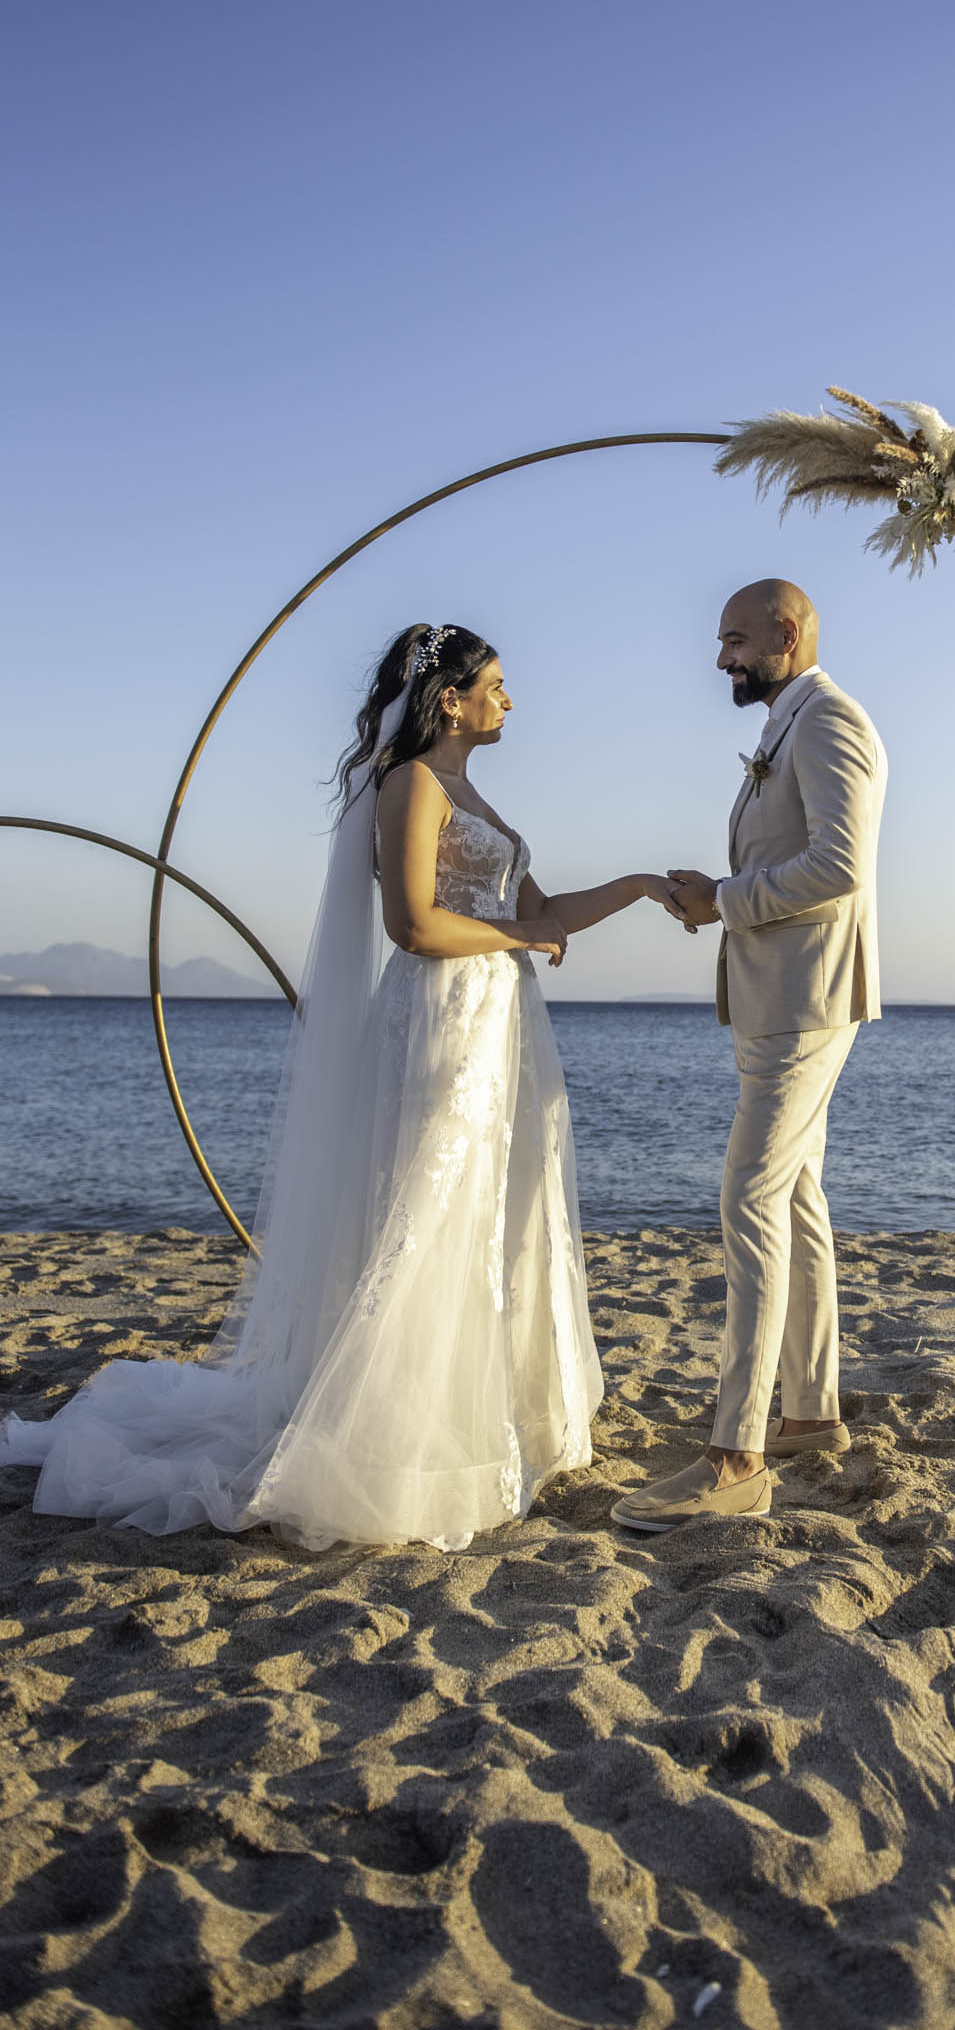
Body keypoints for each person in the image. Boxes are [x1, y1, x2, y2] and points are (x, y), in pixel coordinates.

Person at [0, 623, 683, 1550]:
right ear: (450, 697)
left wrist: (640, 885)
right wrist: (521, 940)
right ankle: (391, 1430)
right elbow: (413, 924)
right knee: (427, 1208)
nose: (510, 699)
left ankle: (489, 1414)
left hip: (502, 1026)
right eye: (497, 682)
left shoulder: (473, 791)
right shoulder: (413, 784)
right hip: (439, 1021)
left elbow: (543, 914)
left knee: (493, 1209)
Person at [611, 580, 886, 1533]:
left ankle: (736, 1456)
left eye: (734, 639)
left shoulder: (827, 721)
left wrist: (725, 899)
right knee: (796, 1197)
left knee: (750, 1199)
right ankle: (810, 1413)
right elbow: (793, 855)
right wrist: (716, 894)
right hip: (776, 994)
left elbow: (842, 865)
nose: (721, 658)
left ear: (787, 631)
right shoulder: (787, 724)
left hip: (805, 999)